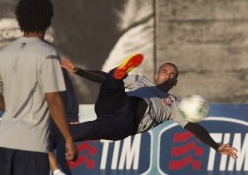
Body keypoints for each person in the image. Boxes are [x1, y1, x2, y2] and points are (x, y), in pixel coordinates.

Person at [61, 54, 238, 160]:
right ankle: (119, 73)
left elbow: (195, 128)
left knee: (86, 129)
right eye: (164, 72)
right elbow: (102, 78)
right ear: (156, 75)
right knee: (112, 81)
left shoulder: (174, 105)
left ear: (174, 82)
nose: (167, 76)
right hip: (113, 106)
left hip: (123, 124)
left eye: (172, 75)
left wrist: (216, 146)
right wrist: (79, 71)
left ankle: (52, 134)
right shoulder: (141, 81)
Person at [0, 0, 77, 175]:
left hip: (5, 142)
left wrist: (13, 109)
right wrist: (68, 138)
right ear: (48, 20)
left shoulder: (5, 53)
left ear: (19, 20)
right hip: (32, 145)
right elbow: (53, 99)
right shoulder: (47, 54)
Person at [49, 68, 79, 175]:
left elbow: (70, 93)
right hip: (46, 120)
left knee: (61, 157)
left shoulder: (60, 70)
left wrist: (74, 117)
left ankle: (59, 171)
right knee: (44, 151)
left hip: (60, 121)